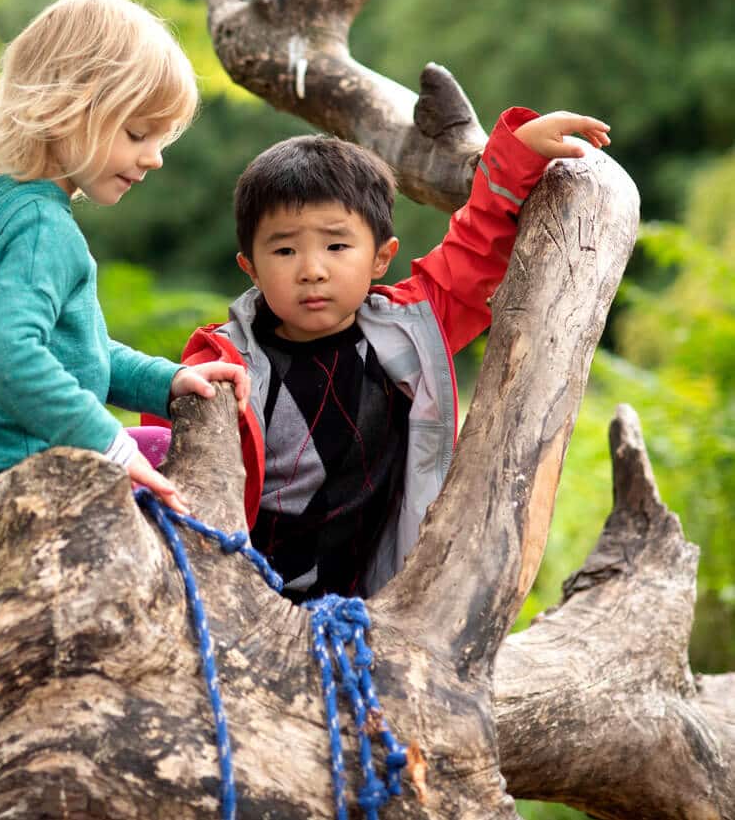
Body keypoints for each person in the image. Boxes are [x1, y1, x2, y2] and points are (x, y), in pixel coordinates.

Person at [139, 108, 610, 601]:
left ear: (381, 257)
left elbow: (475, 248)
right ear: (250, 267)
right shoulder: (219, 366)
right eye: (284, 252)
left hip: (371, 600)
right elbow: (171, 468)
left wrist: (520, 154)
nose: (312, 270)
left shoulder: (410, 330)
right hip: (238, 596)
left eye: (337, 245)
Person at [0, 0, 249, 584]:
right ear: (69, 109)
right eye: (137, 134)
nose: (155, 158)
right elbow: (9, 357)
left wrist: (165, 380)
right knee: (180, 477)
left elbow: (71, 351)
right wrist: (109, 441)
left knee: (161, 448)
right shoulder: (40, 227)